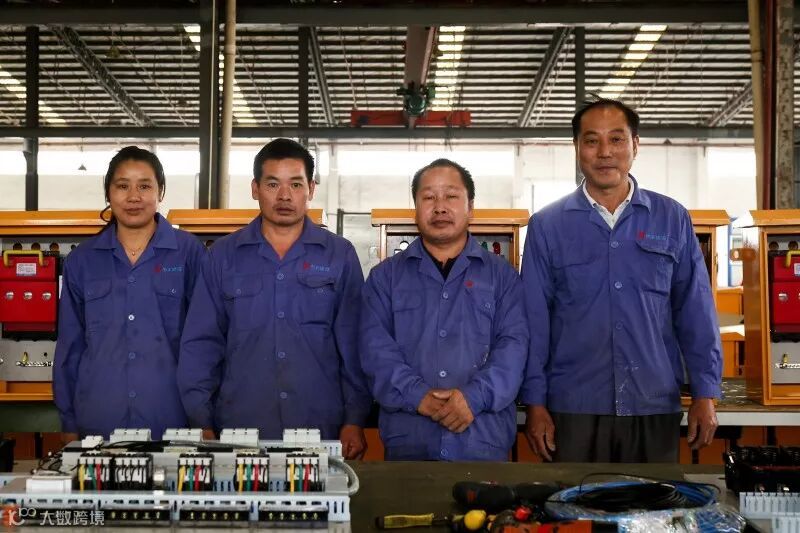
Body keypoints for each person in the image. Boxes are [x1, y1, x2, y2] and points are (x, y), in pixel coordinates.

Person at [521, 98, 722, 463]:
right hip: (574, 406)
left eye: (616, 139)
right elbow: (534, 322)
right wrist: (535, 402)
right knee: (576, 499)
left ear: (635, 145)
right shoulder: (548, 226)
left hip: (653, 402)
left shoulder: (672, 218)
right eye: (591, 140)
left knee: (653, 500)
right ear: (577, 148)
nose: (604, 152)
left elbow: (695, 311)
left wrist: (705, 393)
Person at [178, 138, 371, 459]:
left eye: (295, 184)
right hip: (239, 427)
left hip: (321, 426)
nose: (284, 196)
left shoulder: (339, 255)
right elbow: (202, 344)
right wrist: (201, 418)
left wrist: (355, 418)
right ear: (255, 189)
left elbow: (354, 345)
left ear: (311, 189)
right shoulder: (223, 257)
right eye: (272, 184)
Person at [360, 159, 528, 461]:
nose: (439, 207)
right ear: (415, 208)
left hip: (483, 441)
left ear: (470, 207)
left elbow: (513, 349)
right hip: (409, 442)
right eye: (428, 197)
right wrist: (416, 395)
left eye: (451, 196)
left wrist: (474, 398)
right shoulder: (384, 279)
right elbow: (375, 351)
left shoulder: (502, 277)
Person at [54, 146, 206, 440]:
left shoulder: (189, 253)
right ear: (108, 194)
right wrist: (69, 423)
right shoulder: (82, 261)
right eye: (123, 186)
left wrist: (204, 416)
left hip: (173, 420)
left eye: (145, 186)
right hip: (98, 421)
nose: (134, 197)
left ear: (161, 192)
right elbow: (70, 347)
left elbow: (205, 342)